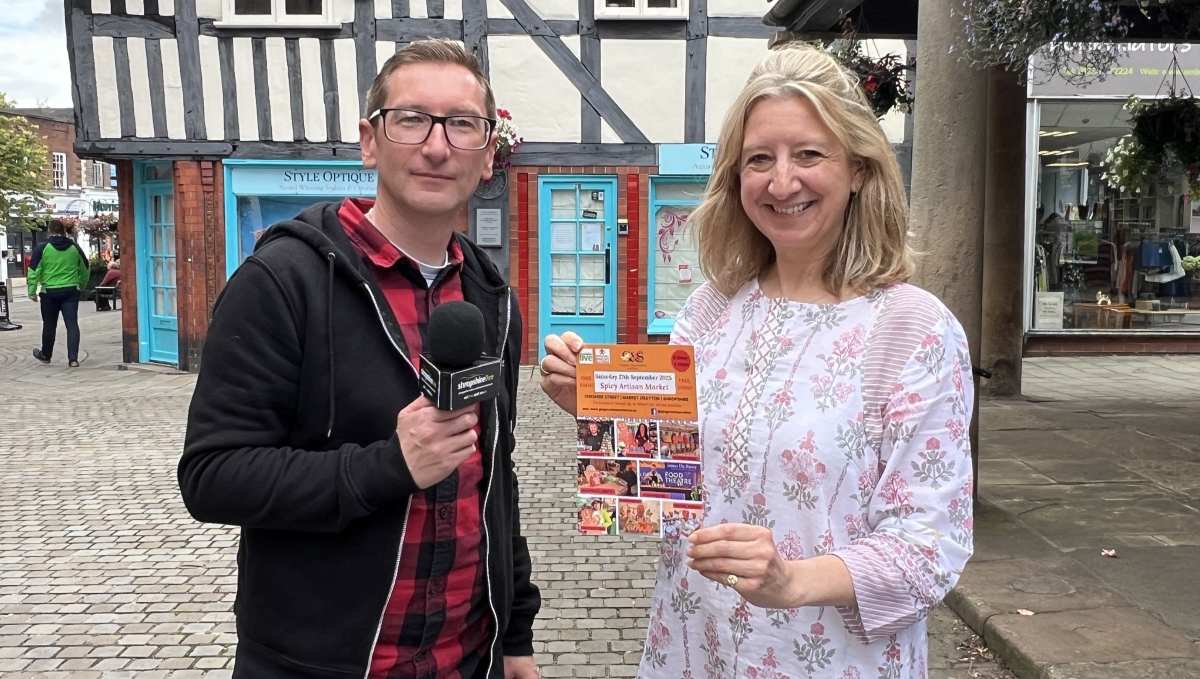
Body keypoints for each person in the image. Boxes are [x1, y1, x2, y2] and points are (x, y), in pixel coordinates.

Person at [540, 42, 973, 677]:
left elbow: (931, 545)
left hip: (831, 661)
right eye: (759, 160)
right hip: (693, 646)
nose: (781, 181)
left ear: (857, 167)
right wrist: (602, 411)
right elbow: (663, 494)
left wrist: (792, 579)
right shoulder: (711, 311)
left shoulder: (912, 330)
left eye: (809, 154)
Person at [178, 39, 540, 679]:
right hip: (323, 663)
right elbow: (213, 475)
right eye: (411, 120)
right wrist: (388, 465)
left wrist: (514, 636)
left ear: (488, 155)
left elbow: (495, 482)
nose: (436, 146)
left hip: (467, 660)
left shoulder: (493, 299)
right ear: (370, 141)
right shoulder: (282, 280)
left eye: (462, 125)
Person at [28, 218, 89, 367]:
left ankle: (46, 355)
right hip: (70, 291)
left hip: (49, 292)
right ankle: (73, 359)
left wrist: (32, 291)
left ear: (49, 231)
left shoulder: (42, 248)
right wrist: (80, 284)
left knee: (49, 325)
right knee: (72, 324)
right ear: (63, 231)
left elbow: (33, 271)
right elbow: (85, 268)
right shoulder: (75, 247)